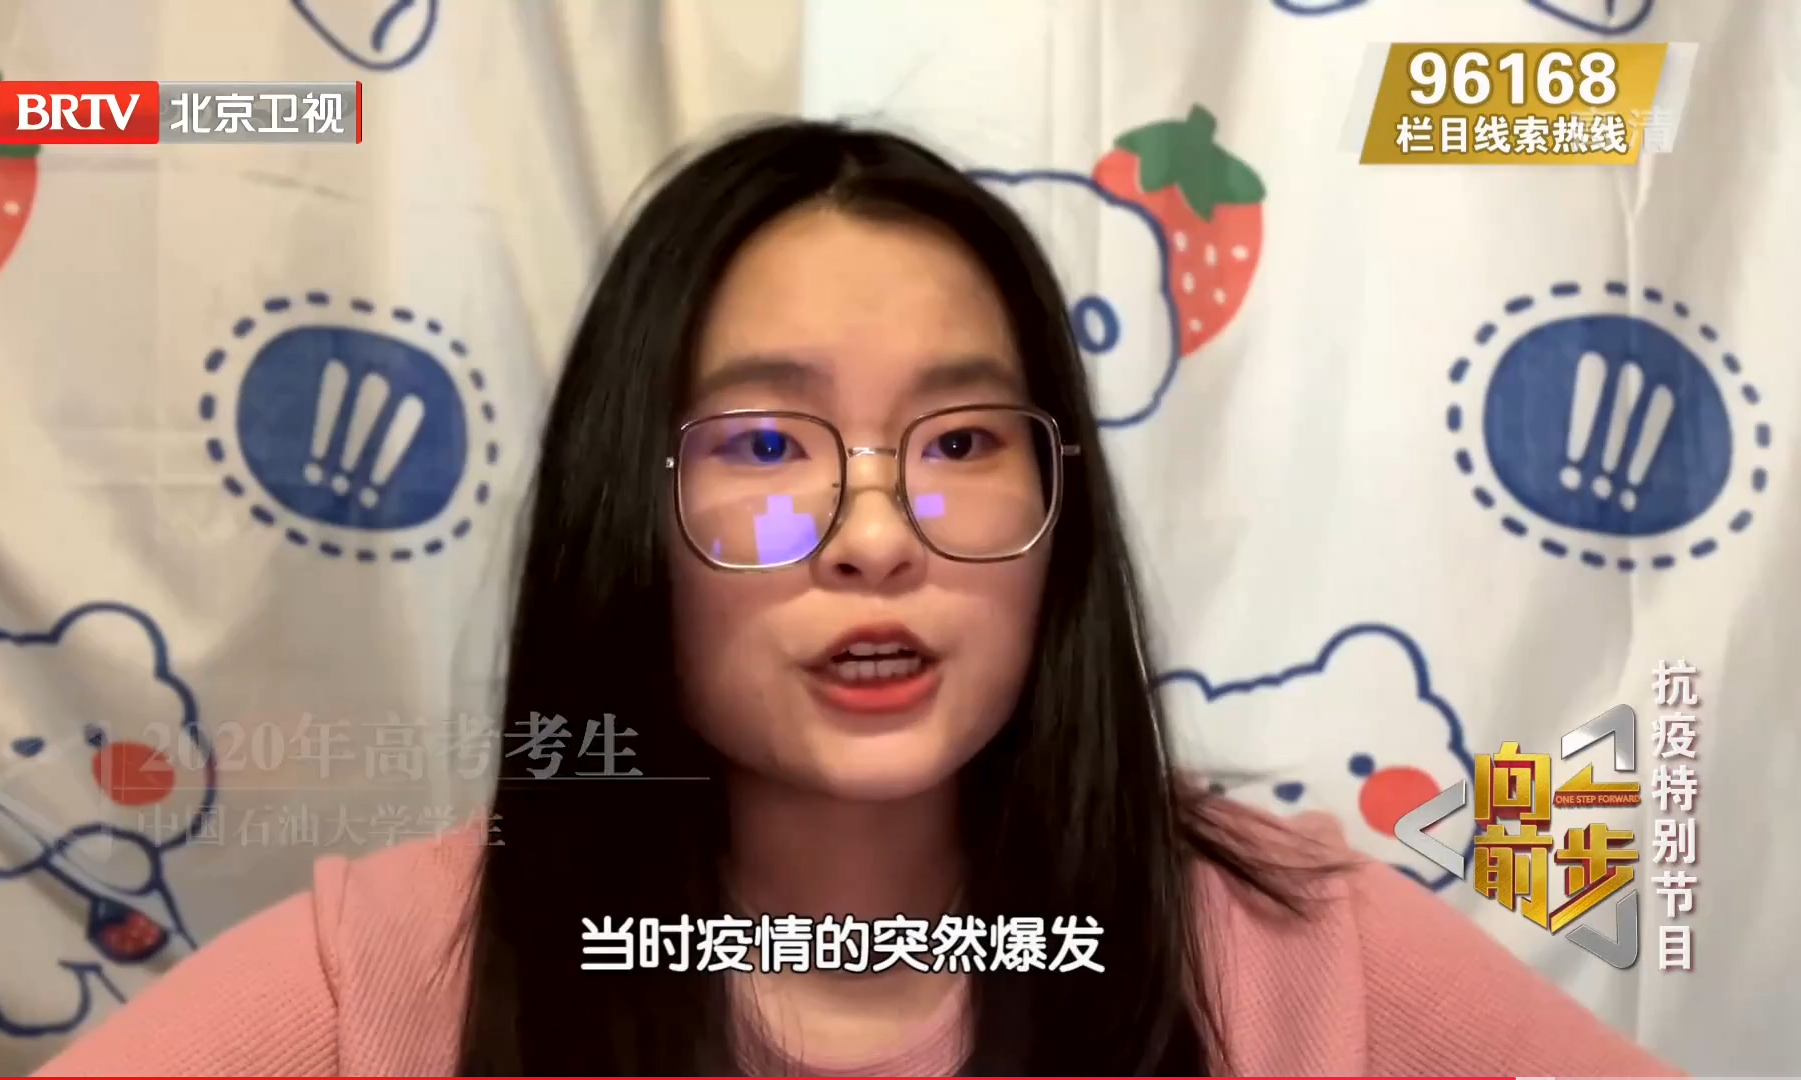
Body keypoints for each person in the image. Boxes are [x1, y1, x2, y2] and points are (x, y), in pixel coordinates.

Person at [37, 119, 1679, 1078]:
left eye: (960, 442)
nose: (876, 537)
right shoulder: (399, 979)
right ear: (628, 507)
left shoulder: (1294, 954)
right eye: (767, 444)